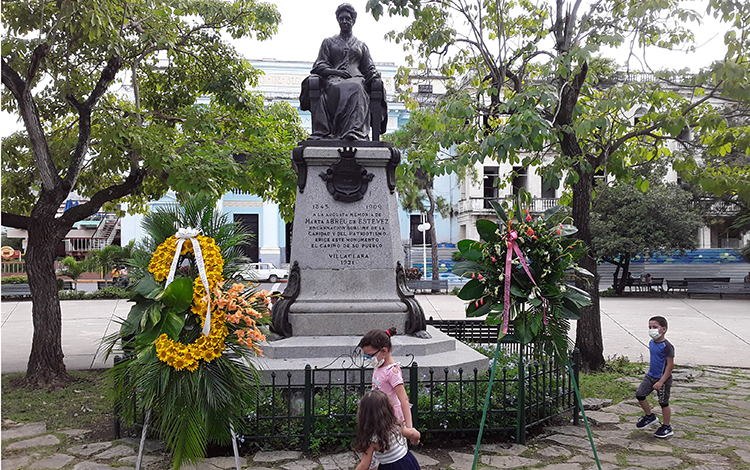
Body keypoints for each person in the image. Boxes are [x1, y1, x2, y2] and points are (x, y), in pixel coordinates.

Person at [301, 3, 387, 140]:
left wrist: (375, 74)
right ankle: (335, 132)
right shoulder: (328, 42)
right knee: (342, 87)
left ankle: (355, 132)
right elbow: (319, 65)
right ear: (338, 21)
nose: (344, 21)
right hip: (334, 80)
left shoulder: (361, 45)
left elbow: (368, 67)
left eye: (347, 18)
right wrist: (335, 72)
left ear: (353, 21)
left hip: (358, 79)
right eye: (341, 19)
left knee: (358, 87)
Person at [359, 328, 414, 430]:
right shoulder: (378, 366)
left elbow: (404, 399)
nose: (369, 359)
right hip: (379, 416)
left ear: (384, 350)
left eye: (370, 355)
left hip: (392, 418)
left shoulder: (392, 372)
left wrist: (409, 428)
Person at [354, 390, 421, 470]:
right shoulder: (395, 426)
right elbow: (413, 433)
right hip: (407, 462)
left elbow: (364, 465)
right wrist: (416, 440)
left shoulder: (371, 439)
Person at [635, 316, 675, 438]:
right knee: (640, 394)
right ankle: (649, 416)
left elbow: (670, 366)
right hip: (651, 375)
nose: (651, 330)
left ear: (663, 329)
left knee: (663, 403)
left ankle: (667, 426)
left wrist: (661, 381)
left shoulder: (667, 346)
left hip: (662, 378)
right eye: (650, 327)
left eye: (655, 327)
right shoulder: (652, 343)